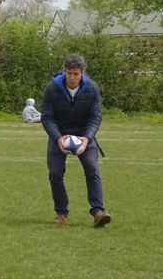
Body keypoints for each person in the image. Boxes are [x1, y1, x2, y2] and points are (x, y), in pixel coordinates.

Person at [41, 54, 111, 228]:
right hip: (59, 135)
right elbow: (47, 117)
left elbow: (95, 117)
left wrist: (86, 139)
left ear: (82, 73)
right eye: (69, 73)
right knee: (55, 174)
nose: (72, 77)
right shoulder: (52, 88)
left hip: (84, 135)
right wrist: (58, 138)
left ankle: (98, 211)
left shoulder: (92, 88)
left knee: (92, 168)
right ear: (64, 71)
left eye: (76, 74)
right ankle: (61, 213)